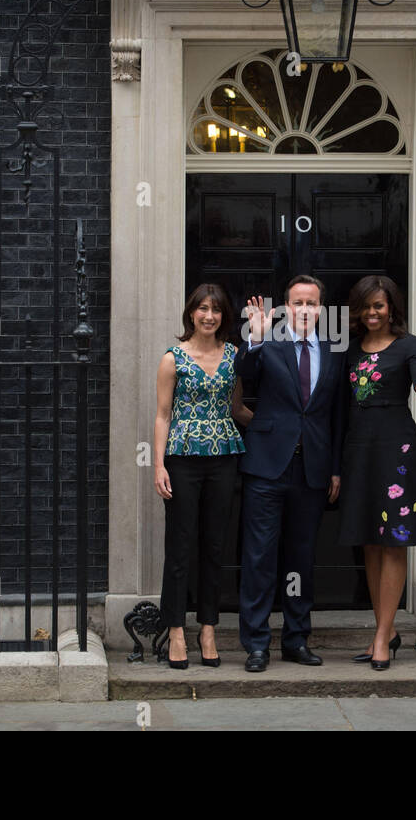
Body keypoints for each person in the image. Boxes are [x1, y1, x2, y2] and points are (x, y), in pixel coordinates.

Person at [337, 275, 416, 670]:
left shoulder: (410, 345)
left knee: (394, 541)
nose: (373, 313)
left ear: (392, 308)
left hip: (398, 452)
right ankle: (384, 630)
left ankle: (381, 638)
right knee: (370, 543)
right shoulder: (352, 350)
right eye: (366, 306)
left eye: (379, 306)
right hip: (360, 451)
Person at [235, 275, 346, 672]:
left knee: (301, 558)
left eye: (311, 303)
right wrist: (257, 338)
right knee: (260, 556)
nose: (303, 310)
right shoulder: (269, 343)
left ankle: (296, 640)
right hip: (267, 466)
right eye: (296, 303)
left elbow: (336, 415)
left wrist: (335, 469)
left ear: (321, 309)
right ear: (285, 308)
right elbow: (244, 374)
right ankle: (257, 644)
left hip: (312, 471)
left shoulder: (334, 349)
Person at [153, 284, 252, 669]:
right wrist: (159, 464)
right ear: (191, 313)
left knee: (215, 547)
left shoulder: (233, 356)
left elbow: (238, 408)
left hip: (224, 457)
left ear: (224, 316)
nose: (209, 316)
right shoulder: (172, 359)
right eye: (202, 309)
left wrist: (280, 428)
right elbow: (162, 414)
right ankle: (175, 628)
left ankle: (207, 626)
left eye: (216, 310)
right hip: (181, 458)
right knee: (180, 547)